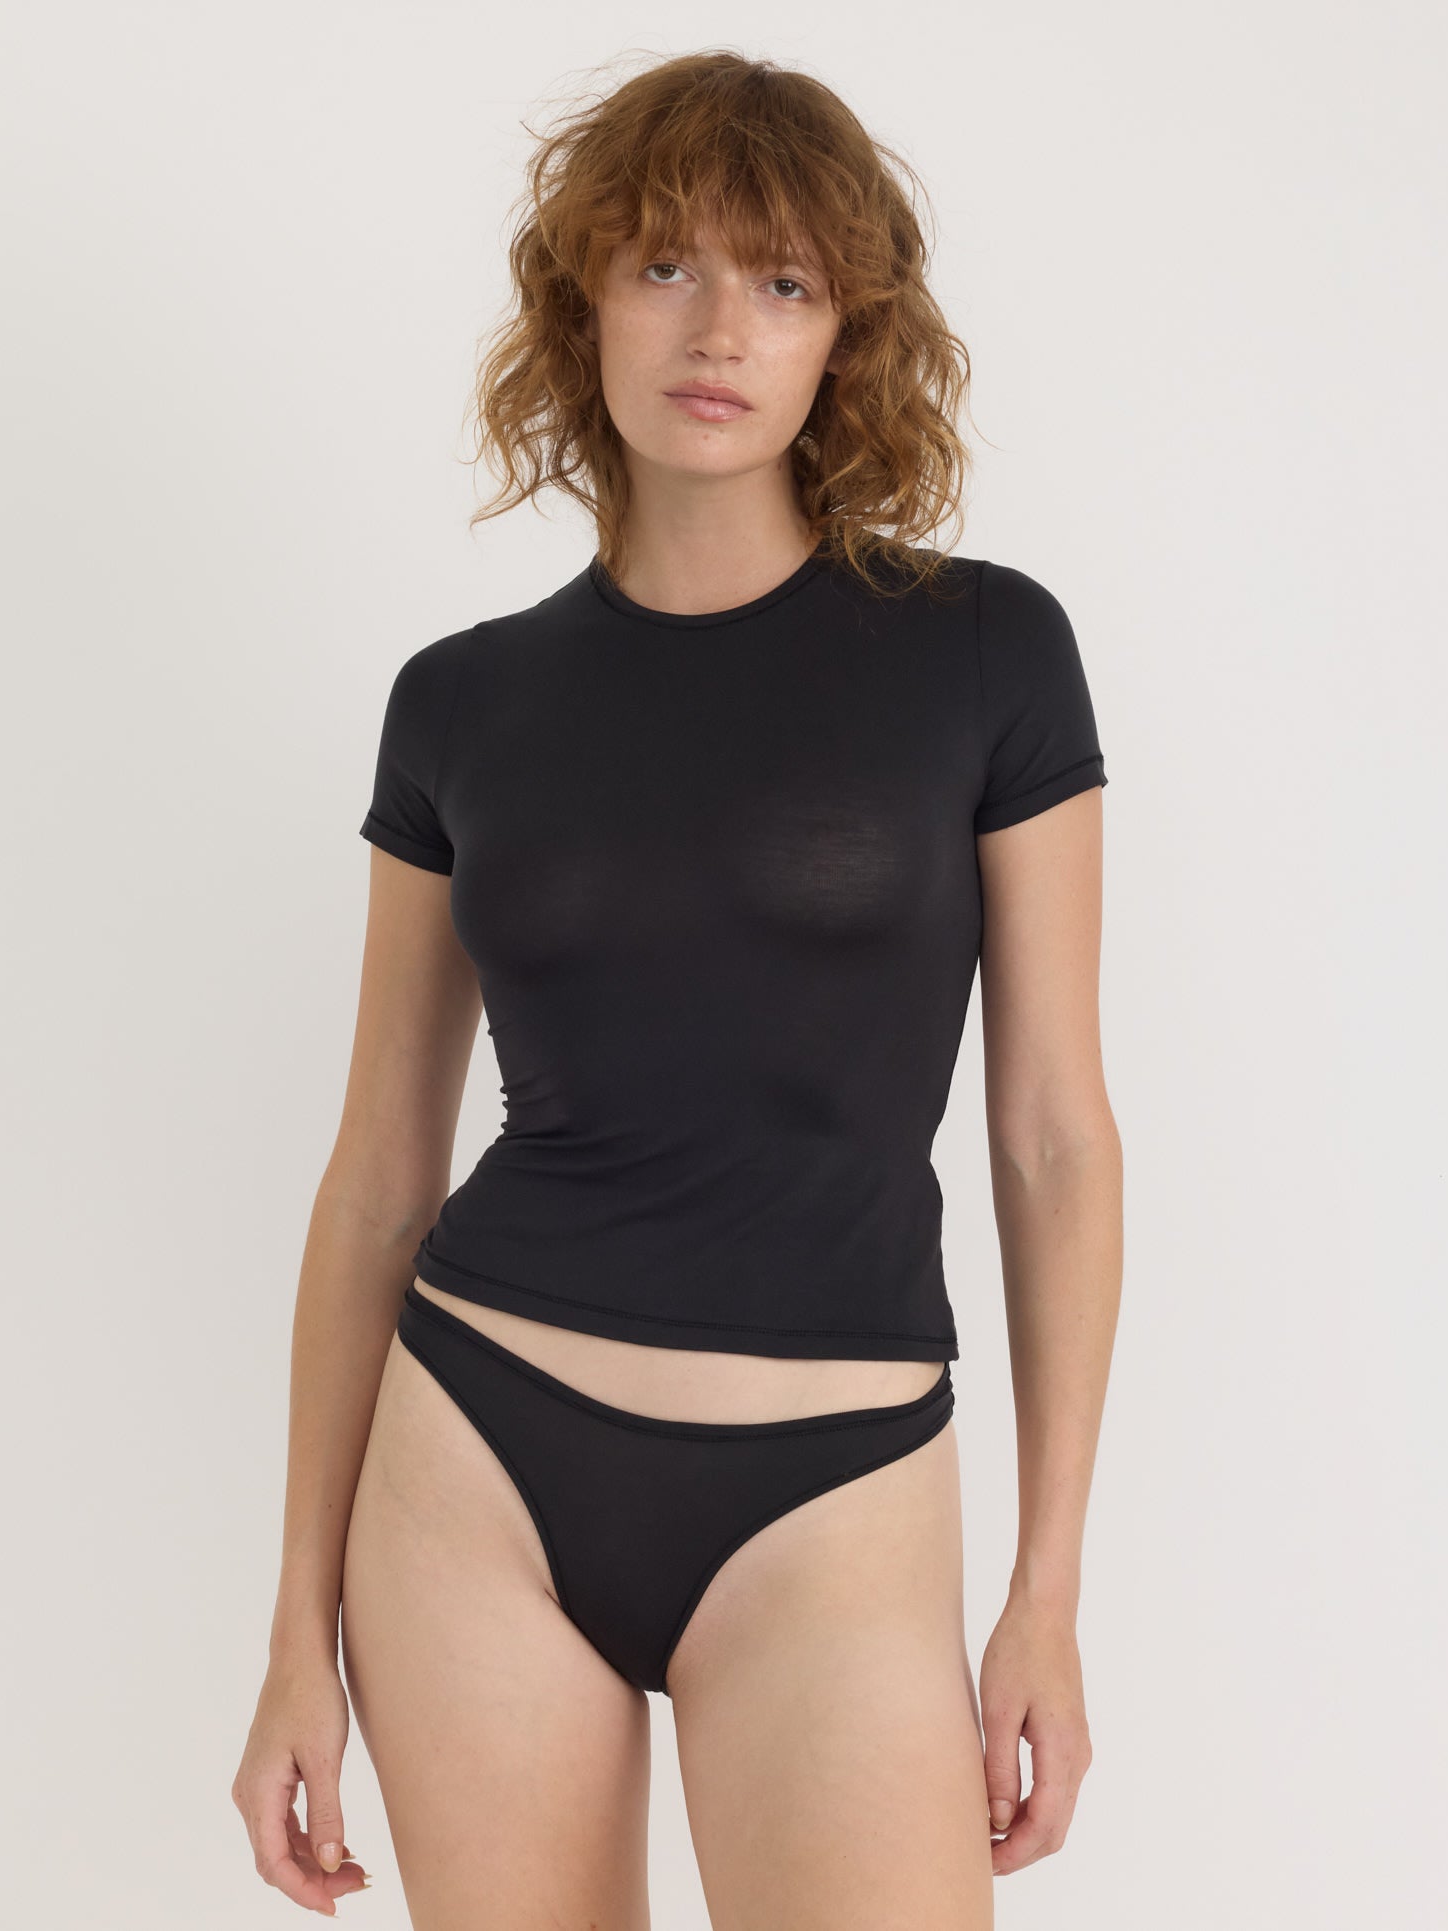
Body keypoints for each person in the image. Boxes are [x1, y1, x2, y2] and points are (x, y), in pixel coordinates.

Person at [232, 49, 1122, 1928]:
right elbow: (379, 1172)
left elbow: (1053, 1135)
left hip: (836, 1491)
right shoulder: (458, 704)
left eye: (784, 282)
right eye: (664, 265)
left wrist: (1045, 1588)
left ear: (846, 339)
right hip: (477, 1459)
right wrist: (296, 1632)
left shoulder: (987, 655)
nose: (719, 328)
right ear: (583, 302)